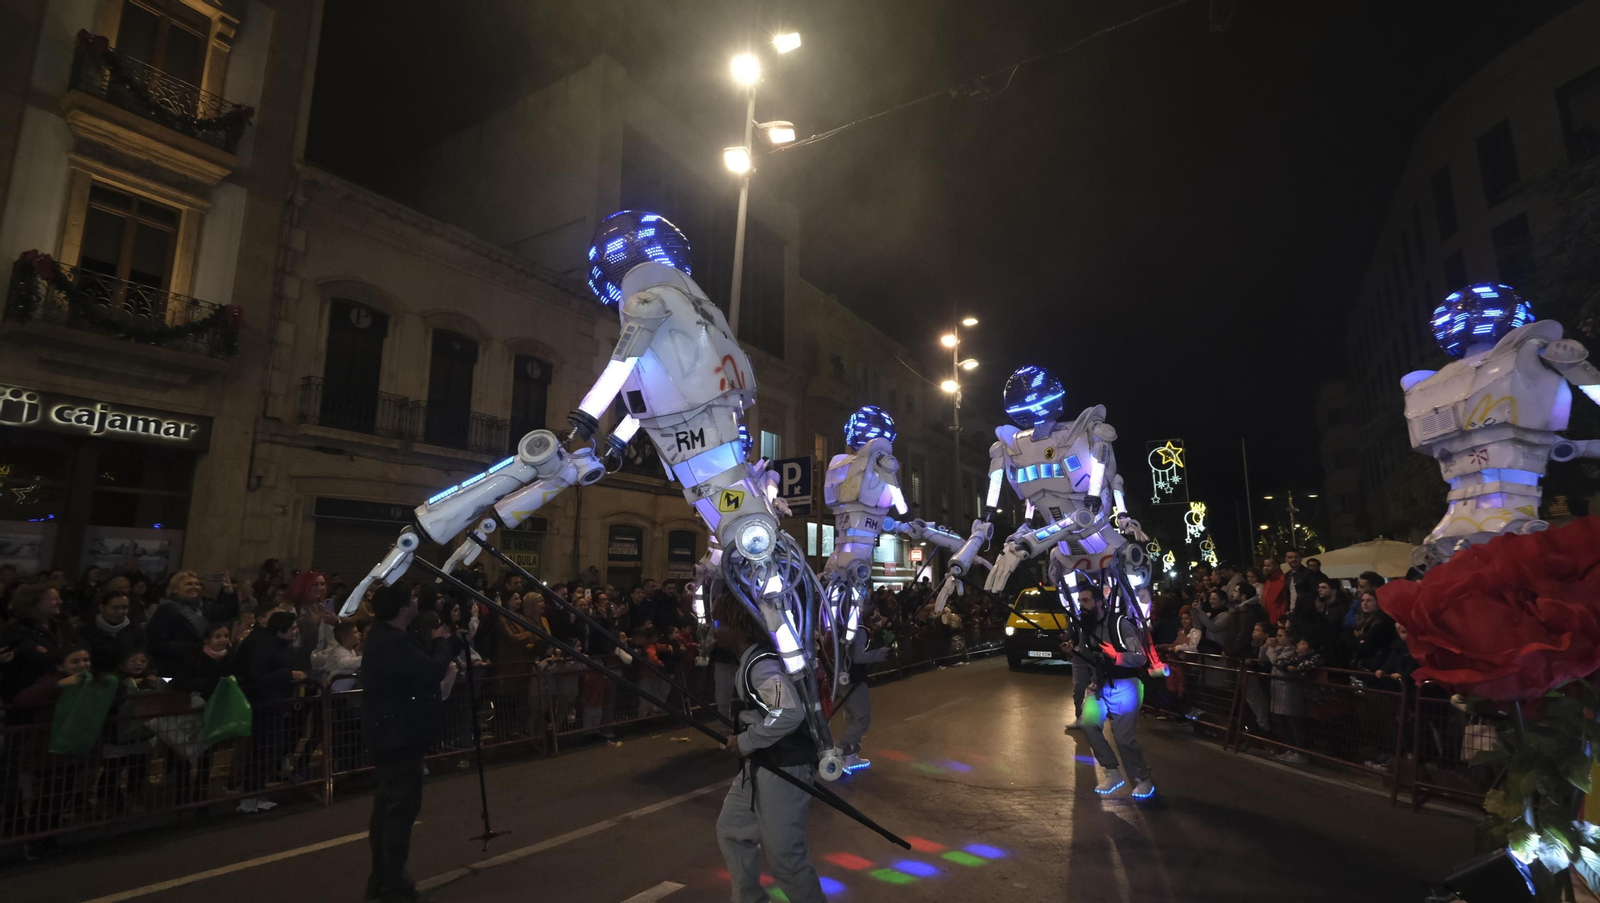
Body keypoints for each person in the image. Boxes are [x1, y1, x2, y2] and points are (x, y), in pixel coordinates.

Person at [713, 593, 826, 903]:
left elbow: (789, 711)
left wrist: (746, 741)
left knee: (785, 857)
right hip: (761, 764)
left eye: (719, 622)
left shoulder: (760, 667)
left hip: (784, 766)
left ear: (738, 626)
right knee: (732, 830)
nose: (714, 628)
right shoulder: (751, 661)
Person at [363, 582, 453, 903]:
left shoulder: (387, 637)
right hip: (399, 735)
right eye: (413, 599)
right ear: (403, 609)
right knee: (399, 811)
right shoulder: (393, 643)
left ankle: (383, 877)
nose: (417, 601)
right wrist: (441, 643)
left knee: (389, 808)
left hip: (391, 733)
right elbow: (430, 671)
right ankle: (393, 883)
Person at [1058, 583, 1154, 798]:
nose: (1081, 605)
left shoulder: (1120, 624)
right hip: (1099, 686)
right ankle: (1112, 772)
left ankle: (1143, 778)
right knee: (1088, 724)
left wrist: (1116, 655)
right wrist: (1072, 653)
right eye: (1080, 601)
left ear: (1099, 602)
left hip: (1126, 686)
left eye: (1086, 600)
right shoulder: (1086, 627)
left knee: (1123, 739)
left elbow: (1140, 657)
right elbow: (1085, 658)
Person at [233, 610, 303, 813]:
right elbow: (258, 676)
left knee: (272, 748)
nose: (296, 631)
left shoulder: (284, 646)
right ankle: (249, 794)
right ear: (281, 632)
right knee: (264, 749)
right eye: (293, 628)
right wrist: (287, 674)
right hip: (265, 703)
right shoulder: (265, 647)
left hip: (278, 702)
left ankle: (257, 791)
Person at [1, 583, 78, 703]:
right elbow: (35, 659)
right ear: (34, 603)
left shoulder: (62, 626)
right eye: (54, 599)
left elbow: (79, 649)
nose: (60, 601)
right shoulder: (18, 631)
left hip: (59, 693)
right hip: (28, 697)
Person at [838, 601, 889, 770]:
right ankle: (839, 750)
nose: (876, 615)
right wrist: (879, 653)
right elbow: (858, 657)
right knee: (862, 720)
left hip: (843, 677)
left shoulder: (848, 627)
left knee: (853, 718)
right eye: (873, 611)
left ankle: (850, 756)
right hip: (854, 679)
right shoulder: (860, 631)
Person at [145, 571, 211, 677]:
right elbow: (155, 642)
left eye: (197, 584)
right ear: (175, 589)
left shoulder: (203, 608)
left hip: (196, 666)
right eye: (189, 584)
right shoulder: (166, 609)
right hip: (173, 667)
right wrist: (189, 647)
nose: (195, 587)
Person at [86, 589, 145, 675]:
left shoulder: (136, 631)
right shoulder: (87, 631)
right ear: (102, 608)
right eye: (115, 607)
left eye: (124, 607)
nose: (120, 612)